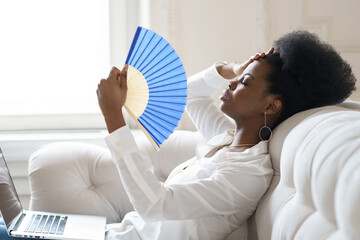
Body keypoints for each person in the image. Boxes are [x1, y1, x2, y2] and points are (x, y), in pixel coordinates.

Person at [0, 31, 356, 240]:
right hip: (113, 234)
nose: (232, 84)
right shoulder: (227, 138)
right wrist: (234, 68)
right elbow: (190, 94)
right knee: (12, 225)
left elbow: (155, 204)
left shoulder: (246, 174)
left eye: (245, 82)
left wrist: (113, 116)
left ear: (272, 106)